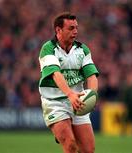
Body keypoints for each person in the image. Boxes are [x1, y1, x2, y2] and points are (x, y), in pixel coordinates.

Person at [38, 12, 99, 153]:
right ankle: (63, 129)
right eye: (71, 28)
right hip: (55, 103)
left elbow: (91, 76)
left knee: (88, 150)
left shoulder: (82, 49)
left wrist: (92, 94)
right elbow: (55, 74)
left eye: (76, 28)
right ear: (58, 30)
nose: (76, 31)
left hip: (78, 102)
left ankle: (64, 131)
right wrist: (70, 94)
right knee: (70, 145)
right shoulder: (48, 49)